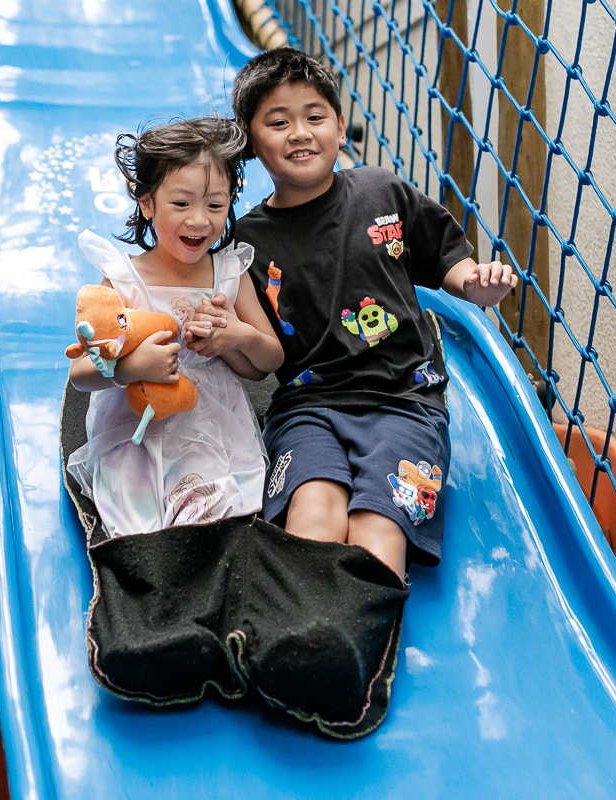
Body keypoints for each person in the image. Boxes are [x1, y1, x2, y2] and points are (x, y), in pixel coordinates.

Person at [230, 47, 519, 579]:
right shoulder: (247, 242)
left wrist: (476, 286)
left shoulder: (379, 190)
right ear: (250, 141)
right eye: (279, 121)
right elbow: (259, 359)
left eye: (315, 117)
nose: (300, 132)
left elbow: (447, 259)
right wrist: (229, 336)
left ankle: (364, 621)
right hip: (307, 405)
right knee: (313, 510)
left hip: (404, 402)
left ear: (340, 127)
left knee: (377, 525)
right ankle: (306, 620)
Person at [66, 117, 283, 537]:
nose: (199, 220)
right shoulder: (124, 281)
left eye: (215, 205)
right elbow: (79, 375)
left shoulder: (227, 275)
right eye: (181, 204)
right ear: (147, 204)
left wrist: (235, 336)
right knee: (137, 525)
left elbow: (266, 361)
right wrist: (130, 368)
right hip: (134, 429)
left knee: (204, 511)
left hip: (212, 427)